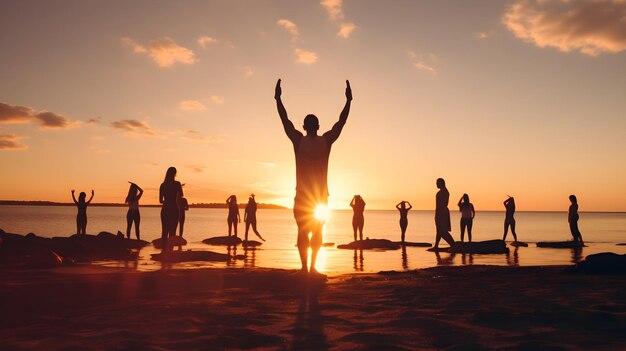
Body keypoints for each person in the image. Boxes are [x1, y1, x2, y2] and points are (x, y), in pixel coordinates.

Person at [275, 78, 352, 276]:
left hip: (304, 196)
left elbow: (285, 120)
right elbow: (340, 122)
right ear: (317, 126)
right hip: (318, 198)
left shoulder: (299, 139)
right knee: (316, 232)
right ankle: (310, 268)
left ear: (305, 126)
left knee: (303, 231)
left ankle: (306, 269)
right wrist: (348, 102)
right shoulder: (325, 140)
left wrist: (278, 99)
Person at [159, 167, 183, 252]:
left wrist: (167, 199)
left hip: (165, 208)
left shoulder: (163, 185)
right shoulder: (177, 184)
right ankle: (170, 252)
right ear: (175, 174)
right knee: (172, 232)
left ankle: (163, 251)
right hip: (174, 208)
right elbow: (181, 195)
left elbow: (160, 201)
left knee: (164, 231)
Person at [434, 178, 456, 249]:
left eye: (437, 183)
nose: (436, 184)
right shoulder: (443, 191)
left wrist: (438, 214)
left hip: (442, 212)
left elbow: (442, 204)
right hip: (441, 212)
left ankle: (453, 244)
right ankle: (437, 245)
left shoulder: (444, 192)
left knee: (442, 231)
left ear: (441, 183)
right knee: (439, 230)